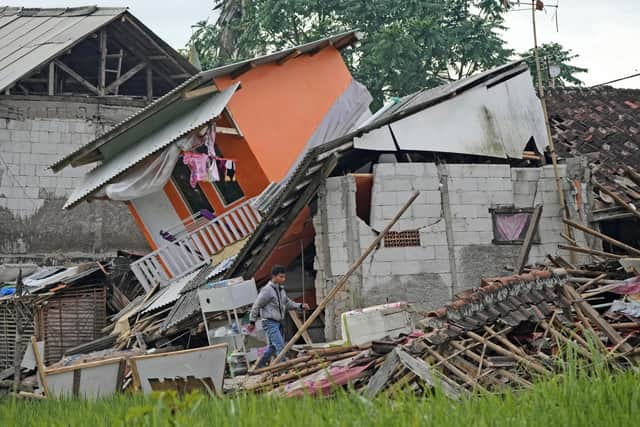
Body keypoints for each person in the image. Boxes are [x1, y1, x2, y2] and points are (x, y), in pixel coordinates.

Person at [247, 265, 309, 368]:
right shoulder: (267, 290)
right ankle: (284, 369)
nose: (283, 279)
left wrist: (300, 306)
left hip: (278, 322)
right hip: (269, 322)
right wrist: (252, 321)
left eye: (284, 277)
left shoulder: (281, 290)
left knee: (272, 347)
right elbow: (257, 305)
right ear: (274, 277)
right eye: (281, 277)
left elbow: (288, 303)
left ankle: (259, 366)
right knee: (280, 346)